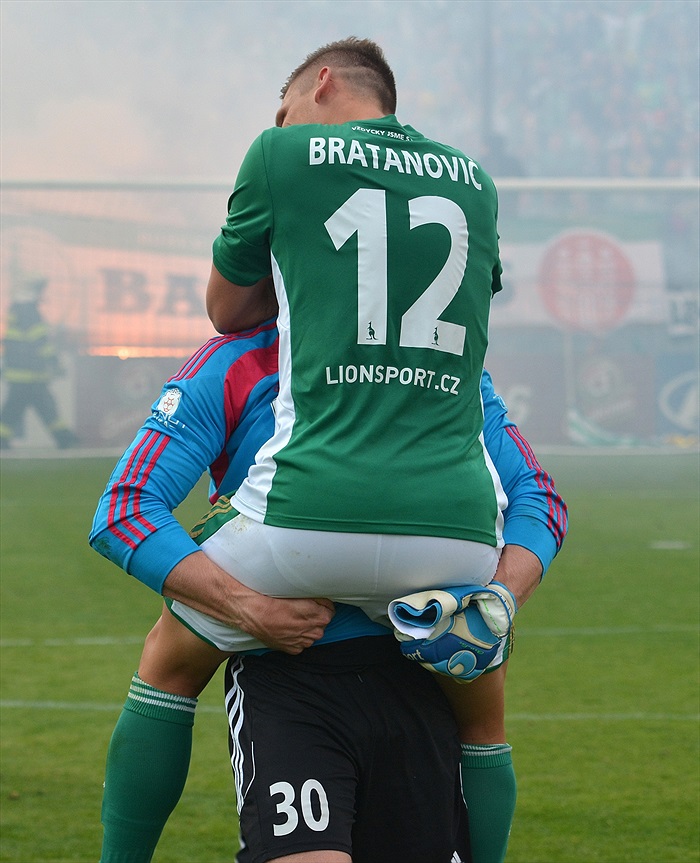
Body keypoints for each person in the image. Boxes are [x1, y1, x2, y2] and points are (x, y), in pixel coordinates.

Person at [90, 322, 567, 863]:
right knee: (483, 701)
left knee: (170, 655)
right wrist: (495, 601)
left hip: (396, 674)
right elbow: (540, 502)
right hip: (304, 674)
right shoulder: (440, 364)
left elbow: (123, 512)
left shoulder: (243, 359)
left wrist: (499, 598)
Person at [0, 274, 79, 449]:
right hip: (30, 375)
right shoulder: (29, 312)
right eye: (39, 291)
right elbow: (41, 342)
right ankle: (63, 438)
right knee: (43, 408)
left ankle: (63, 437)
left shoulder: (18, 311)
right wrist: (55, 363)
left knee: (19, 409)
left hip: (22, 375)